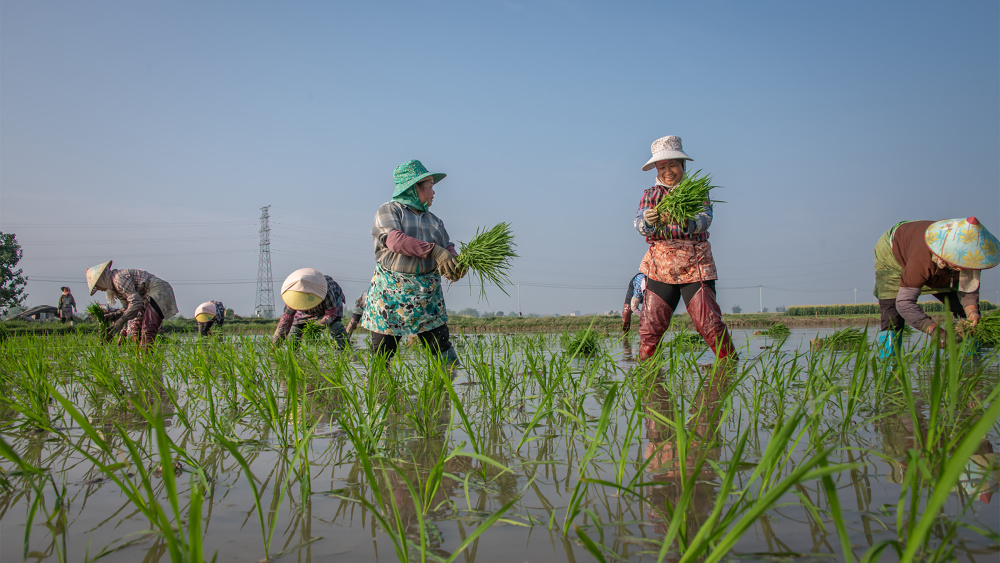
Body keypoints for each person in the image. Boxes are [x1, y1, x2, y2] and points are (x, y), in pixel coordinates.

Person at [634, 135, 737, 363]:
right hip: (660, 266)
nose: (668, 171)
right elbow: (640, 225)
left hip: (695, 265)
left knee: (709, 323)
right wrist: (648, 220)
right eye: (662, 166)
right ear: (657, 169)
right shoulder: (651, 195)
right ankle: (649, 382)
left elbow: (704, 220)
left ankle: (729, 369)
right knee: (650, 329)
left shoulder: (697, 192)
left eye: (673, 165)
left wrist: (681, 219)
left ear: (683, 165)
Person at [360, 159, 465, 367]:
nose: (434, 192)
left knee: (443, 351)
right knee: (382, 355)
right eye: (430, 186)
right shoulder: (389, 211)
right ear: (414, 188)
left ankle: (448, 392)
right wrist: (434, 251)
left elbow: (447, 245)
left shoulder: (434, 220)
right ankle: (380, 396)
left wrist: (456, 261)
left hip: (427, 297)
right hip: (391, 297)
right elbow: (395, 240)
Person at [873, 217, 999, 357]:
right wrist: (933, 330)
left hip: (936, 264)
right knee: (892, 316)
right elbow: (904, 303)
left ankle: (970, 362)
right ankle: (889, 367)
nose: (961, 268)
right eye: (957, 263)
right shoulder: (921, 262)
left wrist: (972, 312)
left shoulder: (972, 254)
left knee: (964, 312)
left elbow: (968, 290)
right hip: (894, 256)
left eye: (964, 265)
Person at [85, 261, 179, 347]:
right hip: (144, 297)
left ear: (101, 280)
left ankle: (147, 361)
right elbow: (127, 307)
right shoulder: (115, 287)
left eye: (97, 286)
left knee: (148, 330)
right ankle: (138, 359)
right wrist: (113, 316)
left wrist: (120, 322)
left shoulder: (118, 279)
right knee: (136, 329)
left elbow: (135, 302)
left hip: (157, 292)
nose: (99, 289)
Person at [272, 268, 348, 347]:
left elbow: (331, 313)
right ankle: (293, 354)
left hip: (329, 304)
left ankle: (345, 350)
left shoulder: (326, 289)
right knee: (294, 333)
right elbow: (285, 322)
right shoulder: (292, 296)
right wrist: (274, 347)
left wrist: (317, 327)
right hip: (306, 307)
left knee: (336, 326)